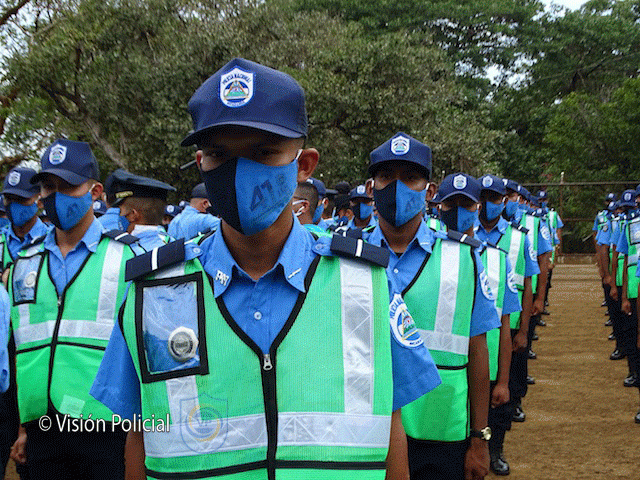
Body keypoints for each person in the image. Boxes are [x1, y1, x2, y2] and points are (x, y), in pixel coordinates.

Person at [91, 58, 441, 480]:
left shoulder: (365, 283)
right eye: (220, 154)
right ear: (200, 161)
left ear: (304, 164)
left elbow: (390, 423)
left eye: (263, 151)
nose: (239, 171)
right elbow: (140, 432)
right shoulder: (155, 291)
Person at [366, 133, 499, 480]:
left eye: (410, 177)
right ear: (371, 188)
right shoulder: (344, 258)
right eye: (386, 177)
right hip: (365, 430)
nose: (397, 187)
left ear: (429, 191)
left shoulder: (464, 258)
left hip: (440, 431)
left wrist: (480, 437)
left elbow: (478, 350)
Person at [7, 138, 137, 479]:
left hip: (104, 427)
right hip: (41, 426)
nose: (56, 196)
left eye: (67, 186)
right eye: (49, 187)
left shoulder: (127, 257)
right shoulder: (25, 262)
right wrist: (23, 427)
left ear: (95, 192)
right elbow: (23, 348)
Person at [475, 174, 534, 475]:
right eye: (483, 198)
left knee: (497, 402)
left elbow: (528, 282)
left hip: (501, 331)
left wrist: (523, 330)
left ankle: (495, 450)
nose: (489, 204)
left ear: (504, 201)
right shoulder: (460, 237)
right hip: (469, 335)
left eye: (495, 198)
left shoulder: (518, 237)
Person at [109, 169, 176, 252]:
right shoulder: (173, 245)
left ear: (133, 215)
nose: (120, 215)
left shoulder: (126, 251)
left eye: (121, 211)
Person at [0, 167, 51, 273]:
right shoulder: (1, 239)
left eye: (21, 199)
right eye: (8, 198)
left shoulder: (52, 240)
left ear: (40, 201)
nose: (13, 205)